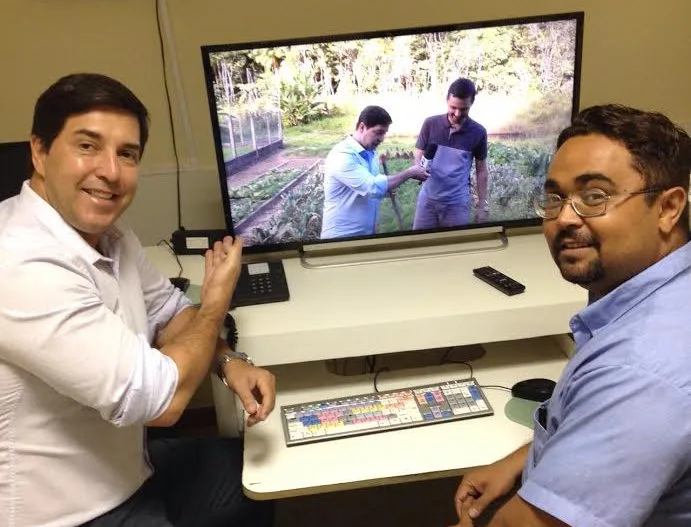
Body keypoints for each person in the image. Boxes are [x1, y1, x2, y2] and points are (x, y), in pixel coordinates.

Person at [0, 73, 276, 527]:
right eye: (87, 146)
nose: (110, 171)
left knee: (254, 473)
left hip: (129, 472)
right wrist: (215, 303)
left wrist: (228, 361)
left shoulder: (109, 235)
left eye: (127, 154)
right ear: (40, 151)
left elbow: (168, 313)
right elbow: (161, 403)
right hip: (70, 514)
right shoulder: (21, 264)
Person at [451, 104, 691, 527]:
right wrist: (526, 459)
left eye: (594, 197)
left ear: (669, 208)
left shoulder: (641, 368)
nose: (563, 217)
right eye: (554, 198)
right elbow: (613, 428)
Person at [320, 105, 428, 239]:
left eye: (384, 133)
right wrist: (410, 172)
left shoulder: (369, 152)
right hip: (341, 237)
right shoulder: (342, 156)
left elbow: (372, 182)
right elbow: (372, 187)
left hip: (365, 234)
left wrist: (386, 190)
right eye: (378, 132)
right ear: (361, 127)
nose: (382, 138)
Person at [413, 78, 489, 229]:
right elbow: (418, 154)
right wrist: (418, 168)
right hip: (427, 201)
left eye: (464, 109)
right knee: (420, 246)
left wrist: (482, 207)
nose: (457, 113)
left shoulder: (479, 132)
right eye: (453, 107)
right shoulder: (430, 124)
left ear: (471, 104)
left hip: (457, 205)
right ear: (446, 100)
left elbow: (481, 171)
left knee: (455, 249)